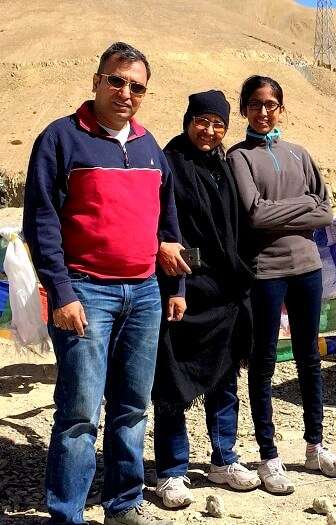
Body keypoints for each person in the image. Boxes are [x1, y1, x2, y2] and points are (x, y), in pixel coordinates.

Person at [23, 42, 188, 525]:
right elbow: (42, 223)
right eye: (117, 80)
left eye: (137, 86)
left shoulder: (150, 146)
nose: (125, 92)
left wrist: (174, 287)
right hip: (85, 292)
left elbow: (168, 224)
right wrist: (62, 292)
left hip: (143, 294)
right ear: (96, 80)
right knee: (78, 413)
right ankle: (66, 514)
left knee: (132, 407)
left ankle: (122, 504)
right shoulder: (60, 138)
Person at [227, 75, 336, 495]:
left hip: (307, 268)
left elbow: (327, 213)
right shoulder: (238, 157)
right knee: (263, 361)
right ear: (244, 108)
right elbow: (255, 216)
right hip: (266, 271)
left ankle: (315, 447)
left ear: (282, 108)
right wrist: (304, 205)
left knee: (308, 357)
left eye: (272, 104)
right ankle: (268, 455)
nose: (265, 112)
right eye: (256, 104)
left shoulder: (300, 154)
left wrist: (290, 209)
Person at [151, 90, 260, 509]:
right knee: (173, 381)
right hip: (184, 290)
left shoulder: (221, 166)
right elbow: (160, 224)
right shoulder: (168, 162)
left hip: (226, 291)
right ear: (188, 119)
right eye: (202, 121)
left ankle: (223, 458)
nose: (210, 131)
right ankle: (171, 472)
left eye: (219, 125)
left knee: (224, 377)